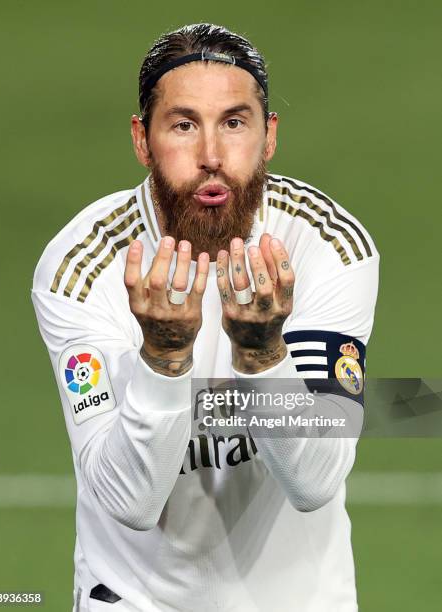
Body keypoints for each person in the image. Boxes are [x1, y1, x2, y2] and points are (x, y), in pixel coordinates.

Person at [31, 23, 379, 612]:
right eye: (184, 124)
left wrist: (264, 355)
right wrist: (163, 358)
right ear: (143, 140)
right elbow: (130, 501)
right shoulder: (83, 268)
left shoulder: (327, 246)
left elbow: (316, 481)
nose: (212, 156)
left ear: (269, 135)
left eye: (234, 122)